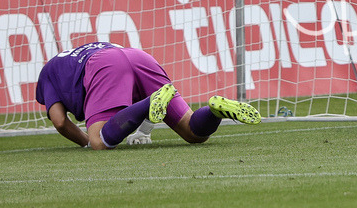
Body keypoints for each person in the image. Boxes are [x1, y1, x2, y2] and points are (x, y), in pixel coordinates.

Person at [35, 42, 261, 149]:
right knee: (193, 133)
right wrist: (144, 129)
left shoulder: (48, 72)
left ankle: (151, 100)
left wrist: (87, 142)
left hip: (104, 65)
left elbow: (60, 121)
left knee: (99, 141)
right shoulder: (80, 53)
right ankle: (214, 110)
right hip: (138, 55)